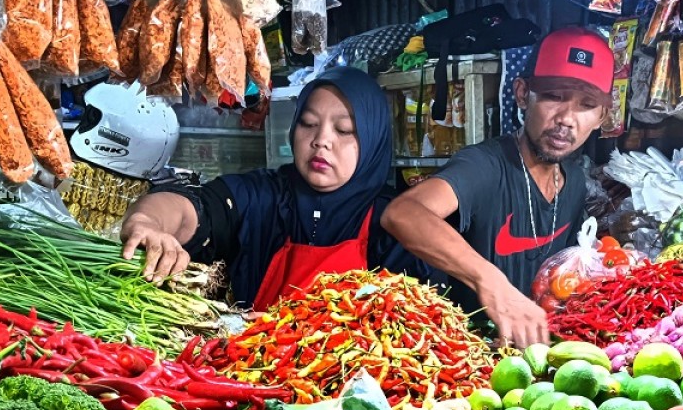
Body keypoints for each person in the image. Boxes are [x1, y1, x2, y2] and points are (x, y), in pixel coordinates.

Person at [381, 27, 614, 347]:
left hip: (539, 362)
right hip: (466, 359)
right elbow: (402, 213)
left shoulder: (573, 183)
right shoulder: (484, 166)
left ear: (602, 115)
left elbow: (558, 279)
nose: (567, 119)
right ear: (521, 94)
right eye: (554, 96)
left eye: (586, 104)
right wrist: (490, 281)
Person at [120, 66, 424, 308]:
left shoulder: (394, 223)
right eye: (308, 123)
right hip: (256, 373)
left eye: (344, 130)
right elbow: (194, 208)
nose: (321, 140)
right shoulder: (264, 194)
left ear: (373, 140)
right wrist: (147, 222)